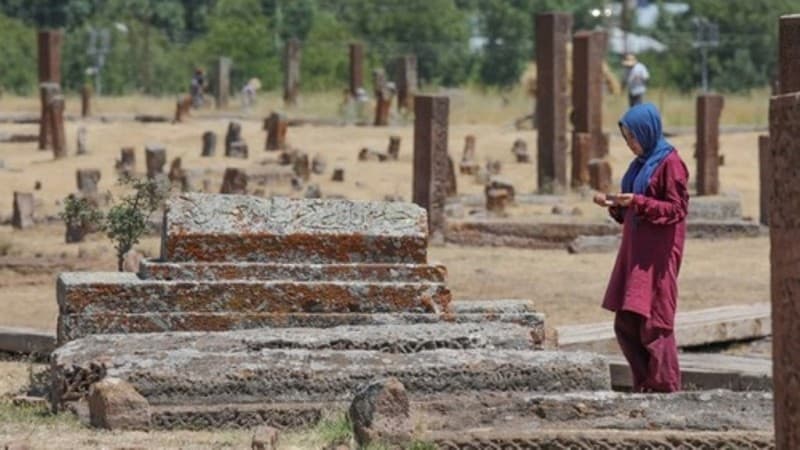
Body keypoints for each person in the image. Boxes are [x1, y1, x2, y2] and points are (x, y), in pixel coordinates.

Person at [593, 103, 689, 393]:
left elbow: (676, 209)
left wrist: (637, 202)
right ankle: (644, 383)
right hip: (635, 253)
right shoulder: (640, 164)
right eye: (626, 139)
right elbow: (632, 210)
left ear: (647, 132)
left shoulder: (670, 162)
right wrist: (615, 206)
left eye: (632, 138)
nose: (630, 145)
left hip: (657, 256)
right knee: (627, 321)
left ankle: (665, 386)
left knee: (655, 322)